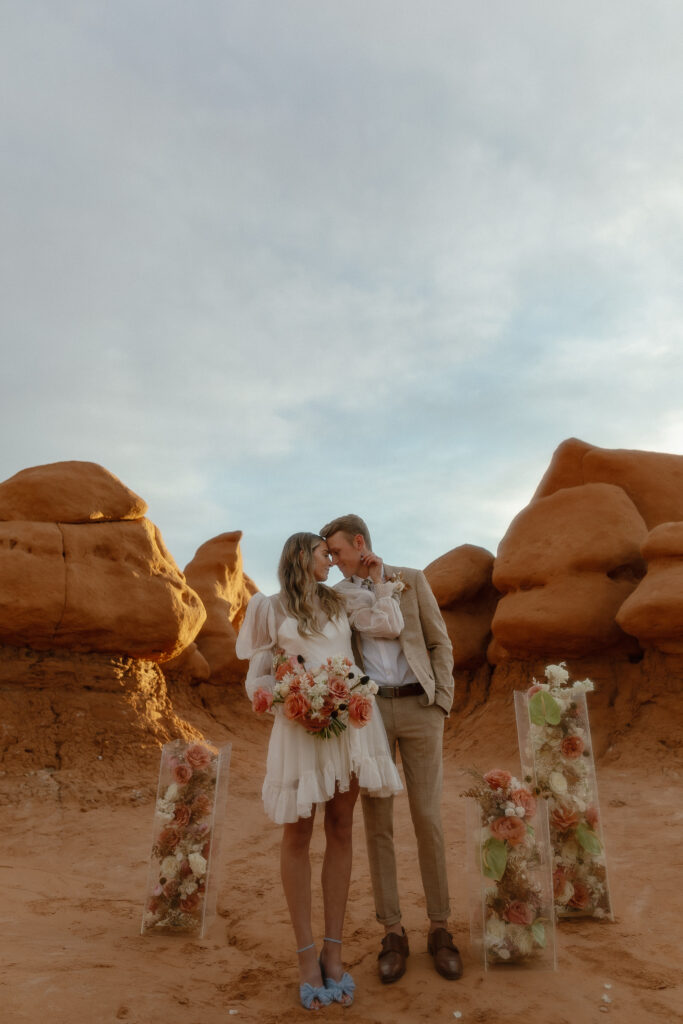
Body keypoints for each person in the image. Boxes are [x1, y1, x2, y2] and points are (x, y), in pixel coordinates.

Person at [235, 532, 404, 1010]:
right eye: (323, 553)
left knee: (341, 828)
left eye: (332, 553)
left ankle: (335, 951)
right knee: (297, 835)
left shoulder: (342, 598)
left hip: (350, 726)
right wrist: (289, 699)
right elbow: (259, 676)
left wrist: (378, 579)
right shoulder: (269, 608)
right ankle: (306, 956)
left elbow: (387, 625)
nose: (331, 559)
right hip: (301, 728)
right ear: (300, 556)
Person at [319, 514, 462, 984]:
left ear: (360, 543)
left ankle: (440, 929)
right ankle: (393, 933)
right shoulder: (339, 597)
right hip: (371, 715)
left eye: (337, 550)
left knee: (428, 817)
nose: (334, 559)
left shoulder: (412, 580)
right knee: (378, 823)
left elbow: (440, 642)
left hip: (421, 709)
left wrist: (442, 700)